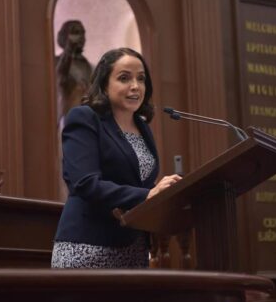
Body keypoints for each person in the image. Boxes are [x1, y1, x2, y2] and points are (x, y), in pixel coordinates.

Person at [51, 47, 182, 268]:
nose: (135, 86)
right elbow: (84, 183)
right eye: (124, 78)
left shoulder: (142, 127)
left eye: (141, 79)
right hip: (89, 245)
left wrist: (159, 193)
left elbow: (139, 183)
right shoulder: (84, 118)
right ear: (103, 84)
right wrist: (148, 194)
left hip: (134, 247)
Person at [55, 20, 93, 121]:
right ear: (65, 36)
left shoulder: (89, 65)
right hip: (67, 116)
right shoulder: (57, 62)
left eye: (82, 33)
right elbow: (61, 76)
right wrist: (69, 48)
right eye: (75, 32)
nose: (81, 37)